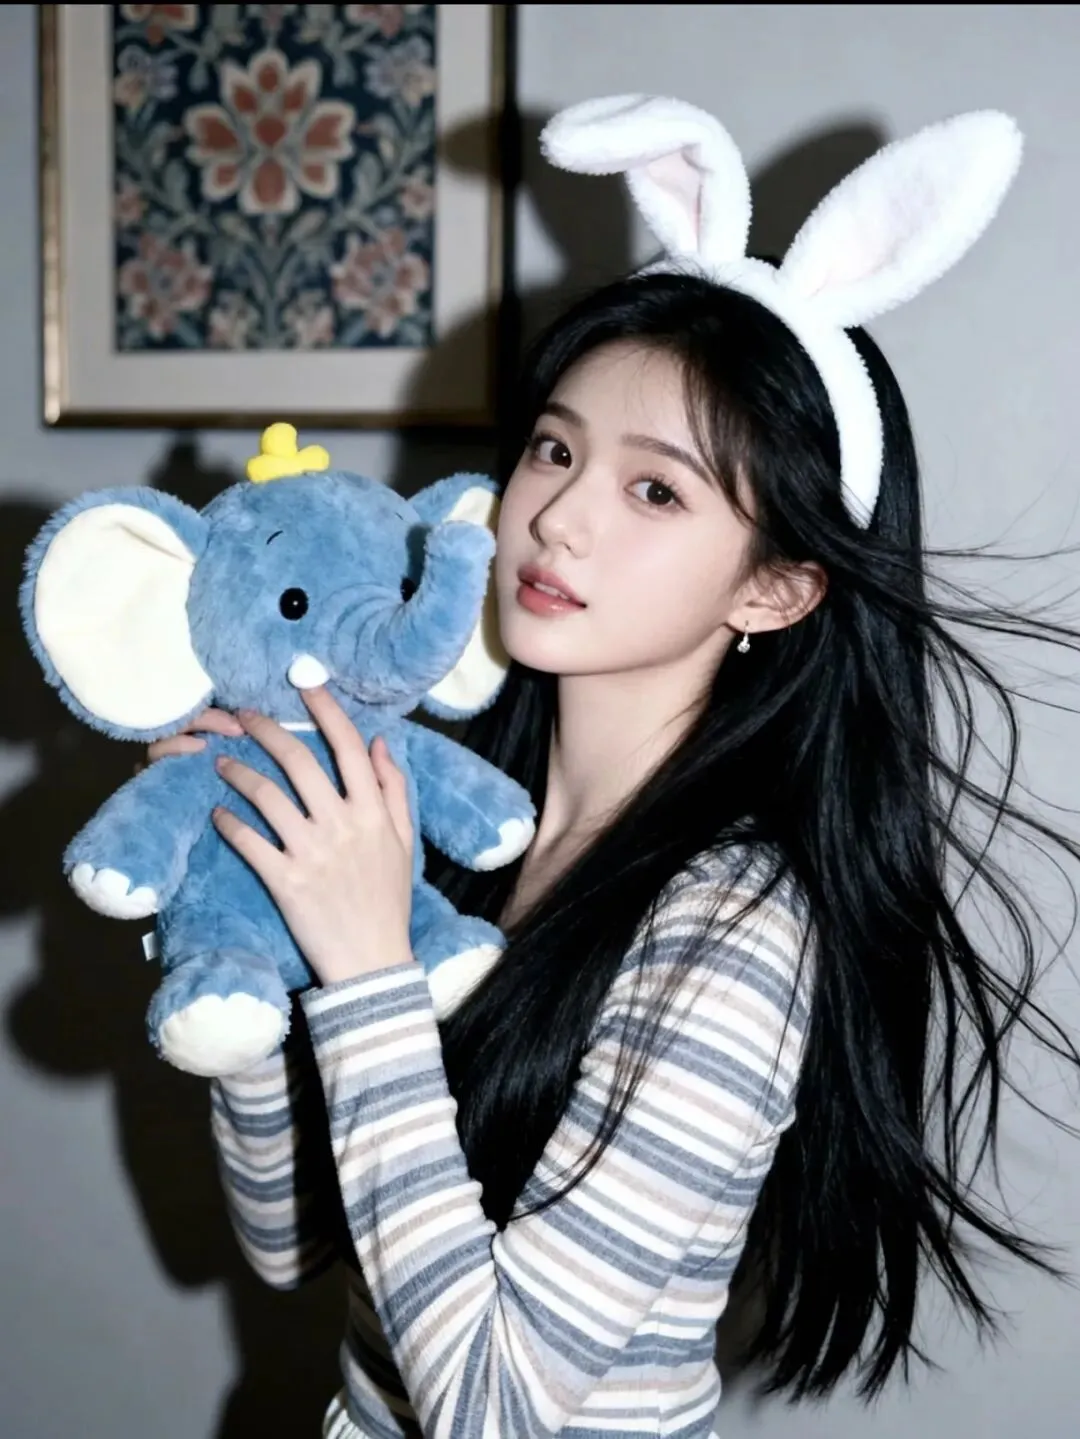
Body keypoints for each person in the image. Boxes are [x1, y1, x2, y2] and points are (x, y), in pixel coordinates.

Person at [146, 98, 1080, 1436]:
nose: (561, 516)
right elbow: (296, 1242)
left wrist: (362, 966)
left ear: (774, 587)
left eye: (656, 490)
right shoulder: (455, 812)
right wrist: (237, 933)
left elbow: (493, 1408)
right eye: (556, 447)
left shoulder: (736, 929)